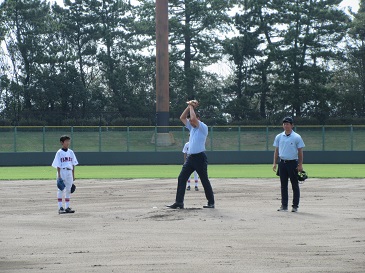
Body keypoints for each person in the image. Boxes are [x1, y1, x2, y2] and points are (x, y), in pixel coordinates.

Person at [167, 100, 215, 209]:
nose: (190, 122)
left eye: (192, 120)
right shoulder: (192, 128)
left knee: (204, 180)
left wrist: (192, 107)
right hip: (190, 158)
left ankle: (211, 202)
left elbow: (193, 119)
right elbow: (182, 118)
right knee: (181, 178)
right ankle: (179, 202)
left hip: (200, 158)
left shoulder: (203, 127)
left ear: (198, 120)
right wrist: (189, 106)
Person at [272, 117, 305, 212]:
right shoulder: (279, 136)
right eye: (284, 124)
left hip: (293, 163)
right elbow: (276, 150)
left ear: (292, 125)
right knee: (283, 185)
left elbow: (300, 152)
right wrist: (274, 163)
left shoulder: (297, 137)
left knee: (295, 185)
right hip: (282, 163)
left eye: (288, 124)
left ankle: (295, 206)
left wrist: (300, 164)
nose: (286, 125)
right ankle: (284, 205)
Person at [52, 135, 79, 214]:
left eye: (68, 141)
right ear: (62, 142)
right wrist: (59, 176)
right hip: (62, 171)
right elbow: (58, 165)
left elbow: (73, 164)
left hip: (69, 172)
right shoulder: (59, 152)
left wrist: (73, 175)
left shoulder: (71, 152)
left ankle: (67, 207)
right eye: (66, 141)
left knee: (69, 189)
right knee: (60, 189)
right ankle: (60, 207)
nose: (68, 143)